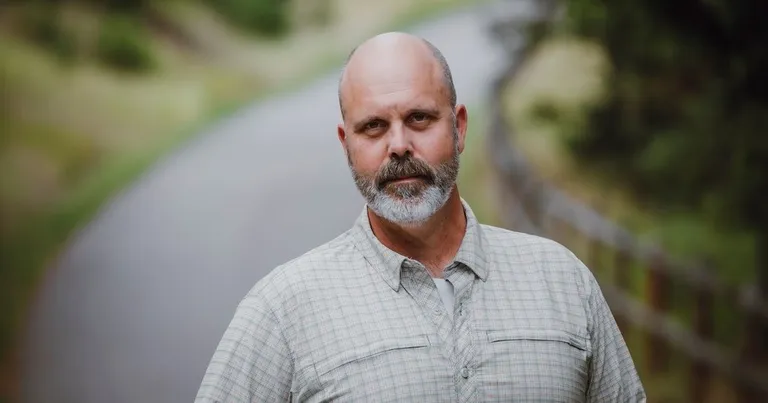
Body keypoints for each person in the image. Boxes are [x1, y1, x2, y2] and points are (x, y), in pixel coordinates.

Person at [195, 32, 646, 402]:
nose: (398, 146)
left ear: (459, 126)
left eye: (419, 118)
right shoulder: (283, 310)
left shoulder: (562, 281)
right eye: (373, 127)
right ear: (345, 142)